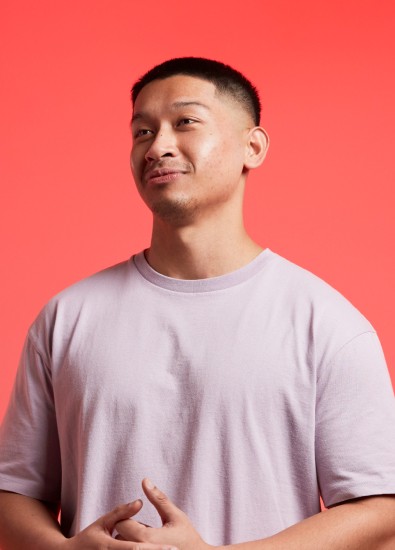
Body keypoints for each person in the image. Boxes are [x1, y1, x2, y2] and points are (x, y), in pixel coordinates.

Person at [0, 57, 394, 550]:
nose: (157, 146)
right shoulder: (66, 318)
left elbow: (380, 513)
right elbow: (13, 494)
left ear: (253, 146)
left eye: (185, 122)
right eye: (142, 131)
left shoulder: (327, 323)